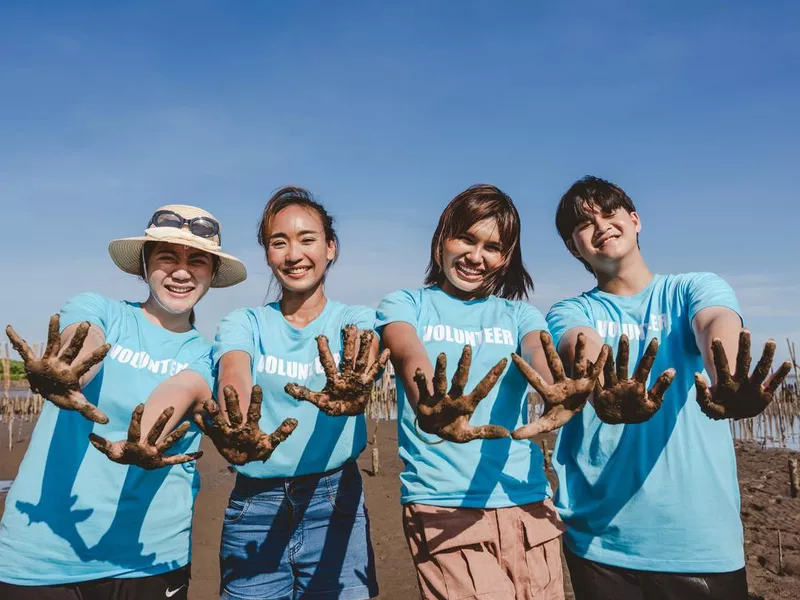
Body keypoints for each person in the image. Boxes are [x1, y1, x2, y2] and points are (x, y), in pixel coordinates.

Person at [546, 175, 791, 600]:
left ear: (635, 220)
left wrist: (726, 372)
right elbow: (579, 342)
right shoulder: (570, 310)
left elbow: (715, 322)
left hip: (699, 540)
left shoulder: (692, 288)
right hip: (600, 540)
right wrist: (607, 381)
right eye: (585, 224)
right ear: (574, 247)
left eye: (609, 212)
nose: (601, 225)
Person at [0, 205, 248, 599]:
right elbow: (84, 339)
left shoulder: (208, 355)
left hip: (148, 558)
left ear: (212, 274)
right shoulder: (102, 310)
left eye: (197, 261)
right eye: (167, 257)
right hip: (39, 553)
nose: (181, 271)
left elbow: (184, 387)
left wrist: (143, 437)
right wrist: (69, 369)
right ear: (143, 266)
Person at [376, 184, 603, 600]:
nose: (476, 256)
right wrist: (430, 401)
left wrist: (559, 384)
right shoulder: (406, 304)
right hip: (444, 504)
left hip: (527, 498)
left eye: (492, 246)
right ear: (443, 237)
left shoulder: (519, 314)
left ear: (507, 256)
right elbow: (407, 350)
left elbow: (538, 351)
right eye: (466, 238)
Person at [207, 186, 386, 600]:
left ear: (331, 248)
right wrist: (238, 423)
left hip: (335, 499)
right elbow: (234, 368)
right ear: (267, 253)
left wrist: (358, 383)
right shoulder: (244, 322)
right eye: (279, 242)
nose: (293, 255)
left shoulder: (354, 316)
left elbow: (366, 349)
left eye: (307, 239)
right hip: (254, 505)